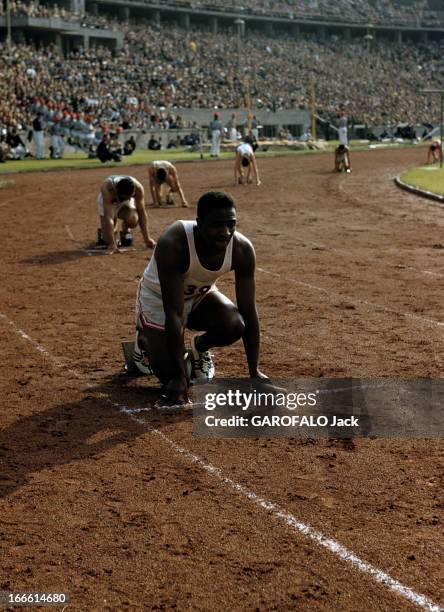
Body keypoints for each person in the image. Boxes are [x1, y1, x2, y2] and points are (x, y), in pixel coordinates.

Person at [134, 190, 268, 407]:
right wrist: (178, 378)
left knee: (234, 324)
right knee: (172, 377)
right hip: (158, 299)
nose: (225, 232)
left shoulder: (242, 250)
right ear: (199, 223)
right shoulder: (174, 243)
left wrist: (255, 373)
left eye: (231, 224)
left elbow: (249, 310)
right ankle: (144, 341)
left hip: (198, 294)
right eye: (217, 225)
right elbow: (173, 314)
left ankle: (200, 348)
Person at [96, 175, 156, 253]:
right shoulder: (107, 189)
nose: (129, 198)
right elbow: (109, 217)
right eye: (126, 197)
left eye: (130, 196)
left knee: (133, 220)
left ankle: (125, 229)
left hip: (123, 203)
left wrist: (147, 238)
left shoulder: (138, 189)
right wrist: (112, 244)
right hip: (108, 202)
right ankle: (105, 231)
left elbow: (141, 212)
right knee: (107, 239)